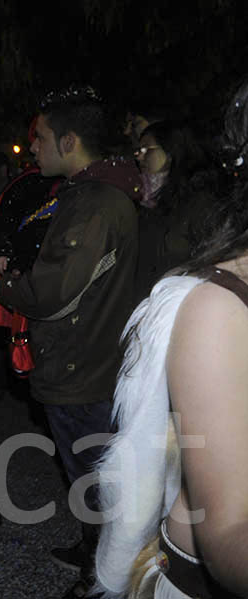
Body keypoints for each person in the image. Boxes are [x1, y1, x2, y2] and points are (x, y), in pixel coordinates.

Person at [93, 80, 248, 599]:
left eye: (147, 147)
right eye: (135, 147)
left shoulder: (194, 205)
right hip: (168, 333)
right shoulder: (214, 302)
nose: (139, 155)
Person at [0, 85, 141, 599]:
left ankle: (104, 579)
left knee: (98, 479)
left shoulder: (95, 203)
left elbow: (56, 291)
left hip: (85, 369)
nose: (32, 147)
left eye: (40, 138)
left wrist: (7, 281)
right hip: (82, 362)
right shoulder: (86, 196)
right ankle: (93, 552)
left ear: (71, 140)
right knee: (88, 475)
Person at [133, 120, 217, 302]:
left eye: (147, 150)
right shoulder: (143, 198)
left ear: (172, 151)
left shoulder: (200, 202)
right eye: (138, 151)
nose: (139, 157)